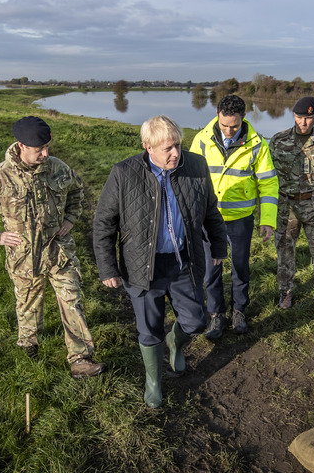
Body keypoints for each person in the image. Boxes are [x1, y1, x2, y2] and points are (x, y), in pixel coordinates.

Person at [93, 115, 228, 409]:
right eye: (167, 148)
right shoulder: (124, 173)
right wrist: (107, 268)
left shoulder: (195, 166)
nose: (175, 153)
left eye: (177, 145)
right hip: (143, 267)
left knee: (195, 321)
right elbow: (104, 224)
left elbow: (210, 211)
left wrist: (218, 245)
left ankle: (175, 343)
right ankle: (154, 381)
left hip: (183, 263)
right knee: (149, 329)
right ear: (148, 147)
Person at [0, 116, 105, 379]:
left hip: (59, 252)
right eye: (39, 149)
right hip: (24, 258)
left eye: (47, 147)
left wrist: (70, 219)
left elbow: (77, 192)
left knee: (72, 300)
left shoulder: (58, 168)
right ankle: (28, 346)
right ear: (20, 146)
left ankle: (80, 358)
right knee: (28, 304)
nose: (45, 153)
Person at [190, 95, 279, 338]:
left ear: (244, 118)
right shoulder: (201, 141)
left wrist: (268, 220)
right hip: (210, 221)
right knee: (211, 270)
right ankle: (216, 315)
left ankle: (239, 310)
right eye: (224, 125)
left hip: (241, 220)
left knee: (240, 267)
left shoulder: (258, 144)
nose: (229, 131)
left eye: (235, 126)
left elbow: (269, 184)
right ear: (217, 113)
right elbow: (190, 180)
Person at [270, 96, 314, 318]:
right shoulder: (278, 141)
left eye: (308, 118)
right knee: (285, 252)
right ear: (294, 116)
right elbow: (266, 176)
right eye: (300, 117)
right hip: (285, 205)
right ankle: (285, 292)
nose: (304, 123)